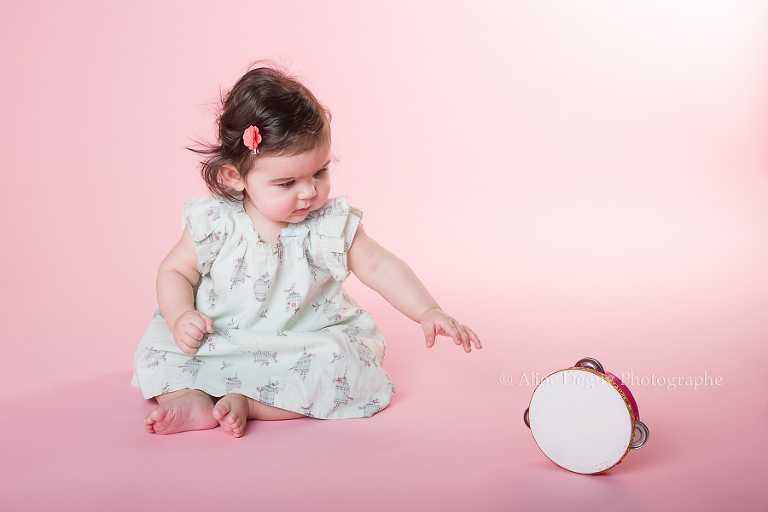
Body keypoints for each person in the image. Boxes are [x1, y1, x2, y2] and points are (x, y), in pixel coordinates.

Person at [132, 64, 482, 437]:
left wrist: (427, 310)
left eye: (320, 173)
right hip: (222, 337)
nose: (309, 192)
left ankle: (250, 403)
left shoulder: (328, 225)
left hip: (303, 340)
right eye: (287, 182)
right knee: (162, 350)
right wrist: (180, 315)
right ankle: (189, 399)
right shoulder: (216, 223)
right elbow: (175, 272)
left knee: (343, 361)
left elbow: (379, 267)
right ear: (236, 177)